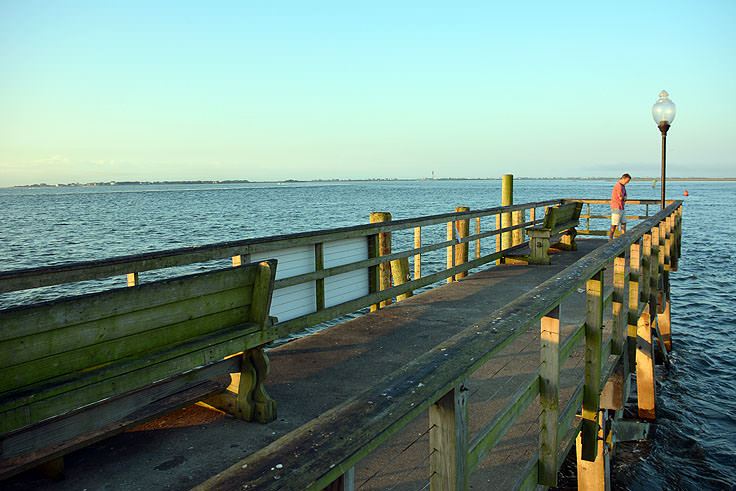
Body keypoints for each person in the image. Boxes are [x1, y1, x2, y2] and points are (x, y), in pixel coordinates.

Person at [609, 173, 631, 239]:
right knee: (614, 224)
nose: (627, 183)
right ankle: (610, 238)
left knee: (624, 223)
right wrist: (624, 198)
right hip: (616, 207)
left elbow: (625, 196)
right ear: (623, 178)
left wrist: (624, 198)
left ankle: (623, 237)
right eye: (627, 181)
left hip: (622, 207)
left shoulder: (623, 186)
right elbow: (620, 197)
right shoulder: (618, 186)